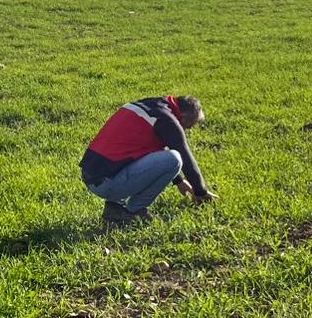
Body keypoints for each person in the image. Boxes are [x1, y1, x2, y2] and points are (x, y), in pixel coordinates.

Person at [80, 95, 217, 228]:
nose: (186, 130)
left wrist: (179, 181)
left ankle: (114, 208)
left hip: (93, 175)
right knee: (174, 158)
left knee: (161, 156)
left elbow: (147, 150)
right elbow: (185, 157)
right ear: (185, 116)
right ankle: (134, 210)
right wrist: (201, 192)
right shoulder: (167, 120)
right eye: (188, 126)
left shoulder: (152, 106)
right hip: (106, 182)